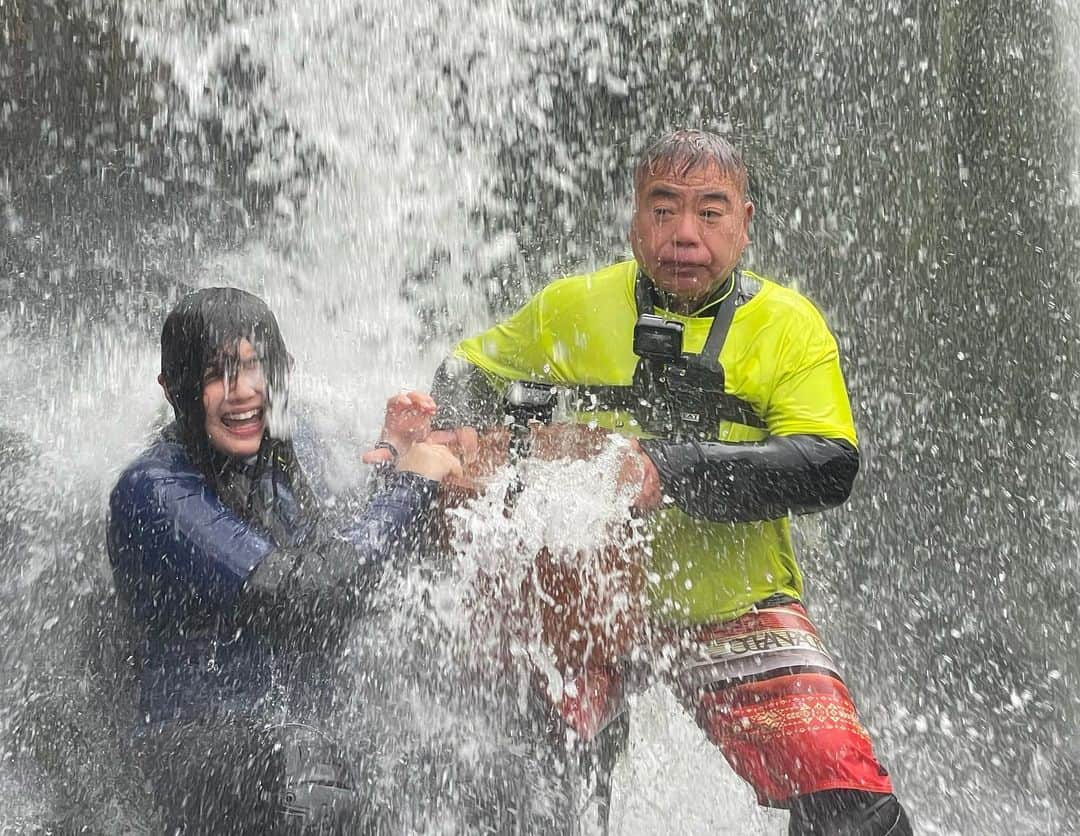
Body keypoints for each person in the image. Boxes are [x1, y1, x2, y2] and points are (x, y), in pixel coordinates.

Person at [432, 130, 912, 835]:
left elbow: (829, 463)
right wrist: (451, 432)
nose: (684, 234)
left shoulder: (789, 327)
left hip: (733, 603)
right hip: (585, 601)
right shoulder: (573, 306)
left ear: (746, 223)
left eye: (710, 212)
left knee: (855, 811)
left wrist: (671, 471)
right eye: (664, 209)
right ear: (633, 219)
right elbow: (465, 373)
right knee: (525, 780)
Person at [107, 287, 462, 834]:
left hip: (303, 738)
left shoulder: (289, 452)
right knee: (304, 770)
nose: (243, 392)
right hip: (192, 748)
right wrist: (410, 486)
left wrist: (391, 459)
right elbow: (306, 597)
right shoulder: (154, 491)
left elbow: (347, 559)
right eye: (216, 374)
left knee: (465, 757)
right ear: (173, 386)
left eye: (257, 367)